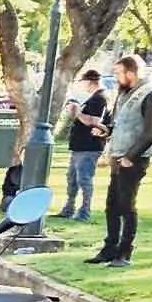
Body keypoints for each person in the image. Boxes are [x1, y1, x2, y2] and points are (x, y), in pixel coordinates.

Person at [94, 55, 152, 265]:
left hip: (133, 160)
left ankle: (125, 252)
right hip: (117, 157)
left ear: (131, 73)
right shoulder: (124, 95)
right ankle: (110, 248)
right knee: (111, 206)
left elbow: (150, 133)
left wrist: (130, 157)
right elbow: (120, 125)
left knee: (126, 206)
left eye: (118, 73)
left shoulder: (149, 95)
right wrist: (105, 131)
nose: (116, 77)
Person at [62, 69, 108, 221]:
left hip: (89, 146)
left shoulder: (99, 99)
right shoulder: (94, 98)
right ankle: (69, 208)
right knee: (72, 178)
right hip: (80, 146)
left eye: (83, 82)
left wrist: (76, 113)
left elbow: (93, 121)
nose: (83, 85)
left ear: (89, 81)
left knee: (84, 179)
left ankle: (84, 211)